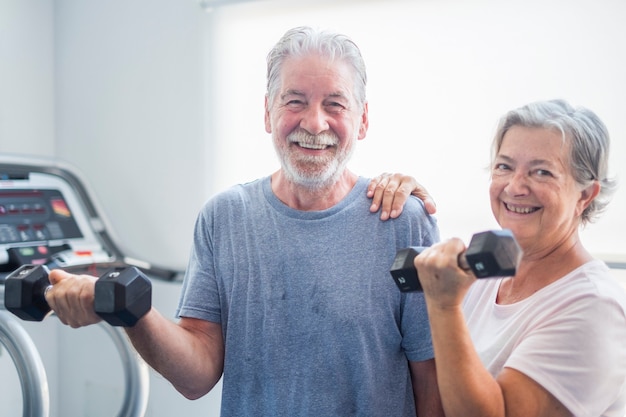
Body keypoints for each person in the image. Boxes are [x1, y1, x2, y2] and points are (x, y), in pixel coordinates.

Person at [45, 26, 444, 417]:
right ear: (268, 113)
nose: (314, 123)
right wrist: (132, 311)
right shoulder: (224, 217)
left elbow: (430, 382)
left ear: (363, 120)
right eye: (295, 101)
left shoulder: (402, 221)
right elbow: (196, 375)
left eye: (335, 104)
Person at [414, 99, 626, 417]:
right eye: (505, 167)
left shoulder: (595, 307)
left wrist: (444, 306)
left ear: (585, 195)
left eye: (541, 172)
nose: (514, 187)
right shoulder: (487, 276)